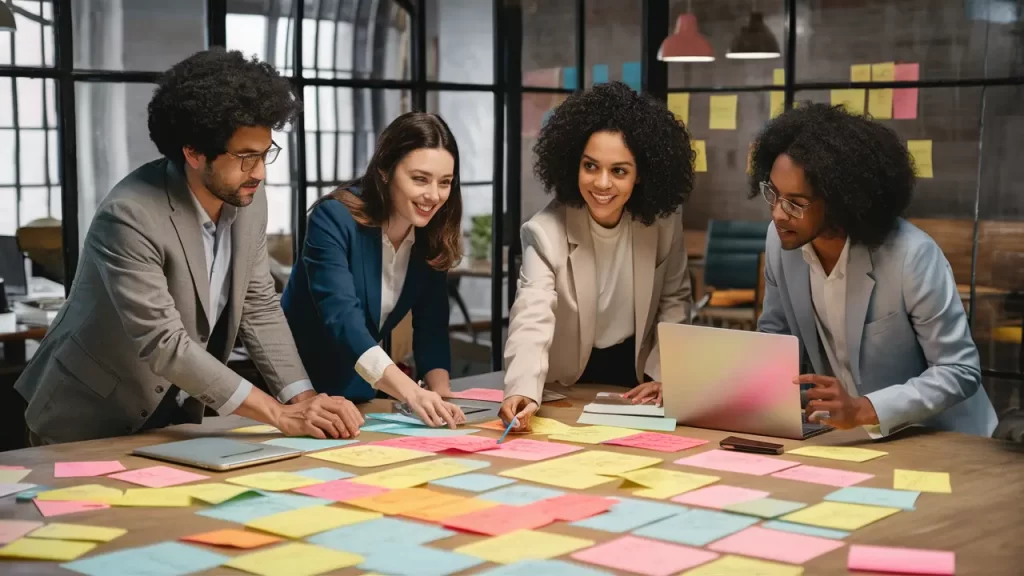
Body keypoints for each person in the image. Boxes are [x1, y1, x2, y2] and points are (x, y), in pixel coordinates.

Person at [15, 49, 366, 445]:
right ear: (194, 152)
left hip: (172, 416)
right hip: (87, 414)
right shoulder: (129, 214)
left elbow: (257, 305)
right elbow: (164, 342)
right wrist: (279, 415)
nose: (261, 172)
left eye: (265, 153)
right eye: (246, 157)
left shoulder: (246, 197)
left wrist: (305, 401)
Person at [628, 103, 998, 437]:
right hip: (853, 440)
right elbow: (774, 343)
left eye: (796, 203)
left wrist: (866, 408)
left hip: (943, 438)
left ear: (841, 201)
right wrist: (696, 386)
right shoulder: (781, 242)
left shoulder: (912, 255)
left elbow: (958, 371)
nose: (776, 214)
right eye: (773, 194)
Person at [499, 82, 695, 432]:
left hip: (637, 375)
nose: (602, 183)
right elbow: (532, 313)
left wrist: (667, 374)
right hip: (567, 380)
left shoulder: (664, 224)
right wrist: (522, 389)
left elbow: (674, 301)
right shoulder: (545, 231)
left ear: (640, 176)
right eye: (591, 166)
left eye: (619, 170)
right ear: (574, 165)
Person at [282, 112, 466, 428]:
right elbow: (343, 319)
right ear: (384, 171)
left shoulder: (430, 232)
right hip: (296, 387)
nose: (434, 195)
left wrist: (441, 394)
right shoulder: (333, 219)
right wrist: (411, 392)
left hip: (360, 390)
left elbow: (431, 324)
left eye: (445, 182)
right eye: (420, 179)